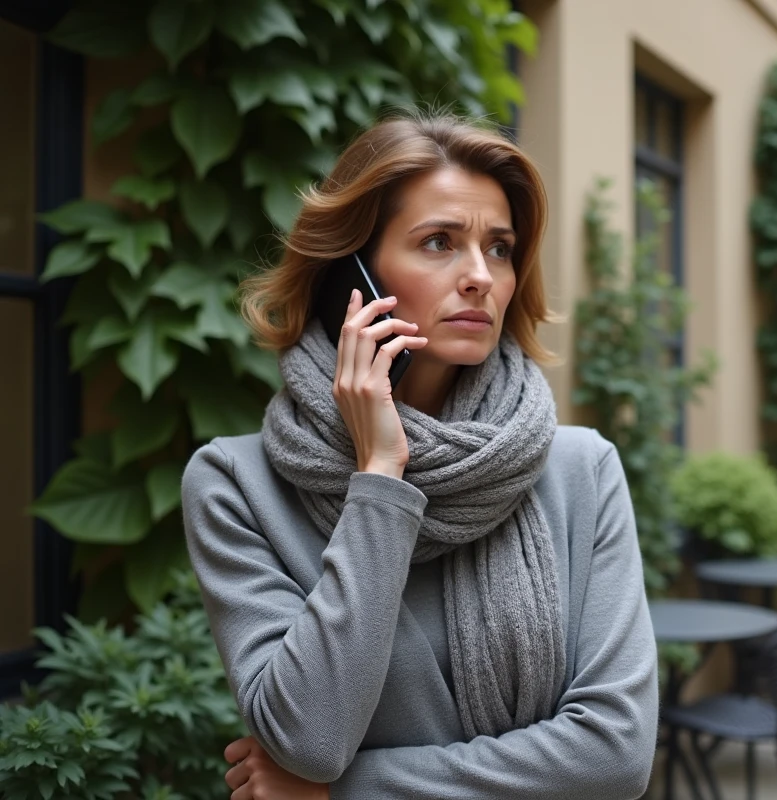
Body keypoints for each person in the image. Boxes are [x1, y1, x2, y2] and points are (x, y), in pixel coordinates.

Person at [181, 114, 658, 800]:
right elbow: (310, 738)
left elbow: (614, 754)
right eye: (439, 242)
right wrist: (379, 474)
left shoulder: (580, 470)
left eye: (500, 248)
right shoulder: (237, 485)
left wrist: (340, 794)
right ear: (352, 274)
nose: (480, 277)